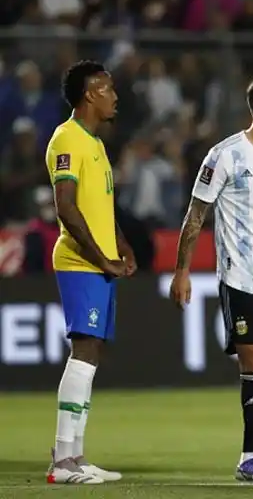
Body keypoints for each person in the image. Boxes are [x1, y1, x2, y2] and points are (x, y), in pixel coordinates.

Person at [168, 76, 253, 481]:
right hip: (241, 276)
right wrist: (182, 269)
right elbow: (196, 215)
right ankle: (252, 454)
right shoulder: (225, 154)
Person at [45, 60, 137, 484]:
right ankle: (62, 460)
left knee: (92, 354)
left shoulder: (95, 144)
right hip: (80, 262)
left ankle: (75, 455)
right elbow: (65, 207)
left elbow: (99, 206)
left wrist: (120, 243)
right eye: (108, 89)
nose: (115, 96)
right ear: (90, 94)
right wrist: (101, 259)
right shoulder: (67, 139)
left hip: (98, 262)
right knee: (82, 353)